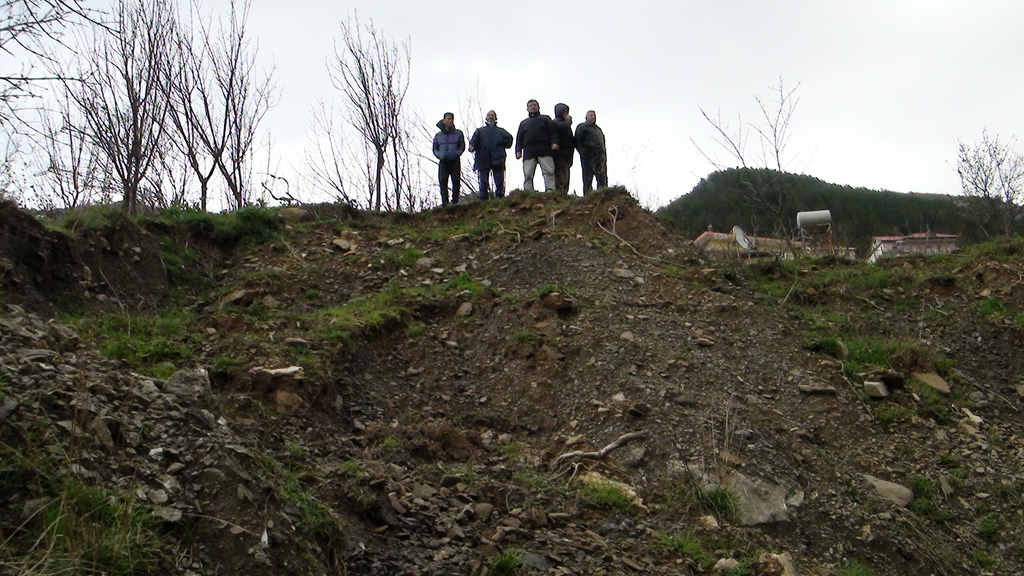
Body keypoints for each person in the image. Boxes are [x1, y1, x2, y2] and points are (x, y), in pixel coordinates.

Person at [468, 110, 514, 200]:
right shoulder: (480, 131)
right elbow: (473, 141)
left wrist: (500, 143)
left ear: (496, 118)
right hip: (483, 158)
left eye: (492, 115)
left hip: (497, 158)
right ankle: (483, 197)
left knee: (499, 180)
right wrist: (472, 147)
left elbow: (509, 140)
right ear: (486, 118)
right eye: (489, 115)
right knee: (483, 180)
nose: (491, 116)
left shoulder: (501, 131)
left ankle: (500, 196)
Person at [515, 99, 558, 192]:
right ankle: (528, 191)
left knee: (548, 172)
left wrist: (554, 142)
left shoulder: (545, 119)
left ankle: (550, 190)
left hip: (545, 149)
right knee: (528, 174)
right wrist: (518, 151)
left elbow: (553, 132)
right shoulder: (524, 123)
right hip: (529, 151)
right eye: (530, 106)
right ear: (527, 109)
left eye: (534, 105)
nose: (533, 107)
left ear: (538, 107)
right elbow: (519, 138)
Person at [432, 112, 466, 205]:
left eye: (451, 119)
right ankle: (445, 202)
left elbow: (462, 146)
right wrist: (440, 155)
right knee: (443, 181)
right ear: (444, 120)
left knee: (456, 181)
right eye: (448, 119)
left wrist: (457, 154)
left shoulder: (458, 133)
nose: (450, 121)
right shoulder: (438, 135)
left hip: (454, 160)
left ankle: (455, 201)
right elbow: (435, 148)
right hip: (443, 161)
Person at [574, 110, 608, 194]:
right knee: (588, 176)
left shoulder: (598, 129)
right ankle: (588, 195)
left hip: (600, 156)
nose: (593, 117)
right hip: (588, 155)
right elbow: (577, 141)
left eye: (594, 115)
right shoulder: (582, 127)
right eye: (591, 115)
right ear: (586, 117)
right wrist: (583, 152)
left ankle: (603, 193)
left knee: (602, 176)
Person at [552, 103, 575, 194]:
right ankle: (560, 195)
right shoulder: (556, 122)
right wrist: (568, 120)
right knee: (560, 177)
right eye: (564, 112)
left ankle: (563, 194)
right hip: (560, 156)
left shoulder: (565, 124)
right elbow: (563, 127)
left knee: (565, 177)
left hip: (566, 156)